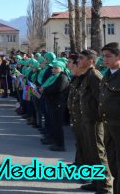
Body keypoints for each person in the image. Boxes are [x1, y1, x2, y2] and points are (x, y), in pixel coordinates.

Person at [78, 49, 113, 193]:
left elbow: (102, 99)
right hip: (88, 119)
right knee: (92, 153)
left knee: (98, 153)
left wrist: (100, 119)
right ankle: (96, 181)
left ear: (90, 61)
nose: (78, 61)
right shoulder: (87, 75)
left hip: (95, 121)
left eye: (81, 58)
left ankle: (105, 187)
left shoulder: (94, 76)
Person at [99, 42, 120, 194]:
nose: (105, 59)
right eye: (103, 56)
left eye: (109, 56)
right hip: (108, 125)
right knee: (113, 165)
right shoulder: (107, 74)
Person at [40, 60, 70, 152]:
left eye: (56, 68)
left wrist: (44, 90)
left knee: (58, 125)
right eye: (53, 68)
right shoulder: (55, 77)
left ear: (61, 68)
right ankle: (54, 140)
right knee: (53, 123)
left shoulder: (63, 77)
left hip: (58, 104)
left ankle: (60, 145)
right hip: (53, 103)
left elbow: (57, 88)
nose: (53, 69)